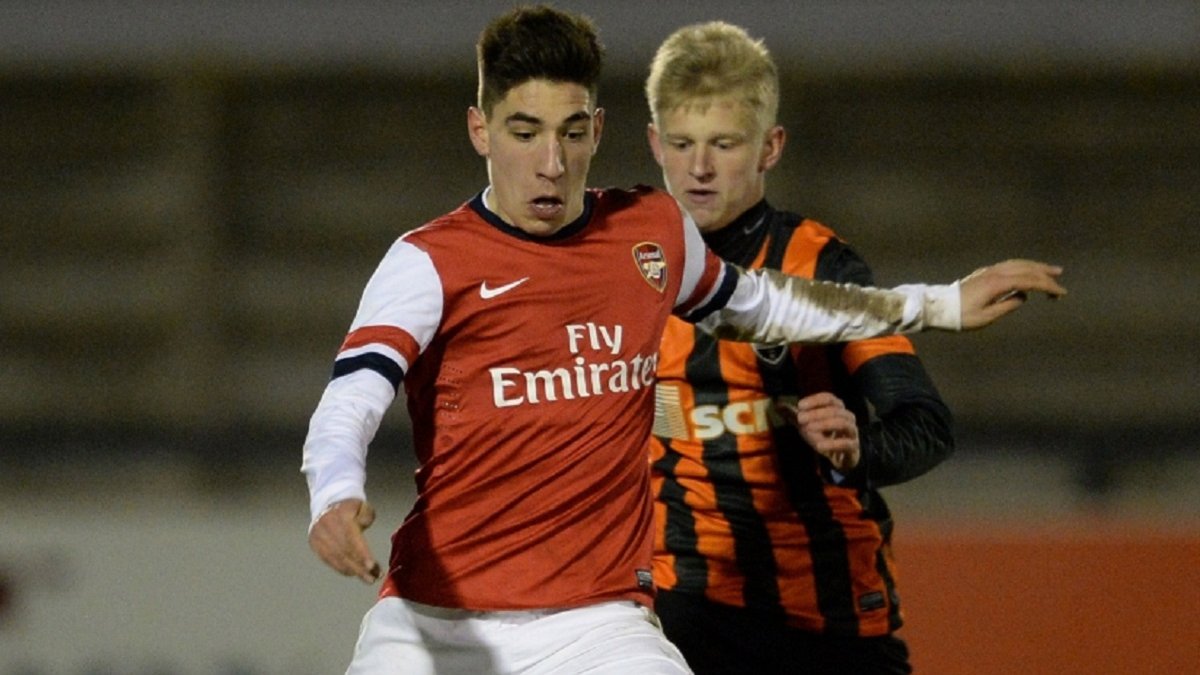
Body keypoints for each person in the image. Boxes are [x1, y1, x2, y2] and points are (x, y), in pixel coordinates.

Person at [301, 6, 1065, 674]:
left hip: (599, 622)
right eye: (524, 132)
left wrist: (941, 303)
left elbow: (765, 303)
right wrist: (335, 493)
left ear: (599, 130)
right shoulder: (429, 260)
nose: (552, 163)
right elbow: (351, 398)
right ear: (481, 129)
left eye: (572, 133)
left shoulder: (649, 235)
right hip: (438, 617)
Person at [644, 21, 976, 674]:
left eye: (724, 144)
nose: (700, 167)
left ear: (770, 147)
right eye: (682, 144)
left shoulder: (819, 265)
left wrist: (856, 451)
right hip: (686, 608)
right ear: (656, 143)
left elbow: (925, 425)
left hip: (827, 612)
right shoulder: (626, 268)